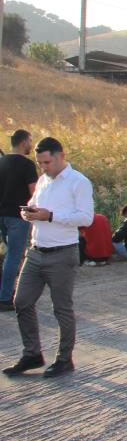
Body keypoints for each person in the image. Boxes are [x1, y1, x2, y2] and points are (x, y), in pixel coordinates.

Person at [3, 137, 94, 378]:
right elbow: (34, 205)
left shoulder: (78, 182)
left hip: (62, 253)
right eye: (39, 163)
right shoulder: (43, 180)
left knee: (61, 308)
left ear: (60, 156)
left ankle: (64, 359)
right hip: (36, 251)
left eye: (46, 162)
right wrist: (29, 213)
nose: (43, 167)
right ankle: (32, 353)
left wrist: (50, 216)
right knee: (21, 301)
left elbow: (86, 218)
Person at [0, 129, 37, 312]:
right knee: (15, 257)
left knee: (9, 256)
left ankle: (6, 291)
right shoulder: (27, 165)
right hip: (18, 216)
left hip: (2, 215)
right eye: (30, 141)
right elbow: (34, 193)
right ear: (23, 142)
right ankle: (5, 297)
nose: (32, 145)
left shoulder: (2, 161)